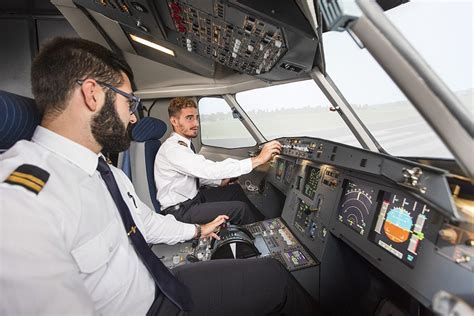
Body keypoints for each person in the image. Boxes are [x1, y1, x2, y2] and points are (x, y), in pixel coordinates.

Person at [0, 37, 317, 315]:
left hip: (159, 282)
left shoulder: (103, 170)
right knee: (274, 281)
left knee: (267, 272)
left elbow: (144, 223)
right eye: (130, 101)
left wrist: (198, 230)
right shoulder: (18, 202)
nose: (134, 116)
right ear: (92, 94)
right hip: (149, 306)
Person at [154, 97, 282, 225]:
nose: (196, 124)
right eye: (189, 118)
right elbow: (207, 170)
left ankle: (264, 224)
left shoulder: (183, 145)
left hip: (192, 199)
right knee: (240, 210)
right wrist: (258, 159)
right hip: (181, 212)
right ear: (174, 121)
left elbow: (189, 175)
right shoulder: (173, 149)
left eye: (196, 117)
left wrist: (220, 181)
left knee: (235, 190)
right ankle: (259, 236)